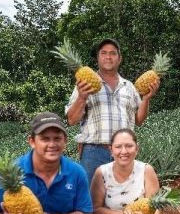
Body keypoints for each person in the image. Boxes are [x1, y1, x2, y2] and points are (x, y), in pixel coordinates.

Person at [65, 38, 160, 184]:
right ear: (98, 58)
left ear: (119, 58)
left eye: (113, 53)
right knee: (90, 201)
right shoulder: (85, 84)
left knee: (122, 198)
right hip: (94, 152)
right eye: (103, 53)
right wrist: (82, 97)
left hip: (124, 153)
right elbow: (71, 120)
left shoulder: (129, 86)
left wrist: (146, 98)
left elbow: (139, 120)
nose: (108, 57)